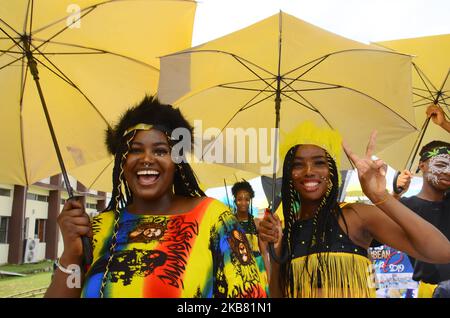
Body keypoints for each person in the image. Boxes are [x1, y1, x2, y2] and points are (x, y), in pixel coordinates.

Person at [44, 96, 267, 298]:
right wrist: (71, 254)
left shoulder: (214, 219)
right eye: (135, 150)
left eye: (160, 150)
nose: (146, 159)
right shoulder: (99, 228)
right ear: (122, 160)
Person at [258, 121, 450, 298]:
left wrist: (380, 196)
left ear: (332, 171)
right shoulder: (287, 232)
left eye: (319, 162)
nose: (309, 170)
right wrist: (274, 251)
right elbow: (278, 295)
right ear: (289, 174)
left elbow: (442, 251)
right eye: (298, 164)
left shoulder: (355, 216)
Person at [394, 140, 450, 298]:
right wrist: (394, 195)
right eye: (440, 164)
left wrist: (445, 125)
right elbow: (372, 237)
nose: (448, 171)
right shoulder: (404, 207)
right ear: (422, 166)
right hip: (431, 291)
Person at [231, 180, 270, 292]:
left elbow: (264, 252)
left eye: (246, 199)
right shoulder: (230, 224)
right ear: (235, 201)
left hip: (258, 268)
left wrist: (269, 275)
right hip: (240, 270)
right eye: (239, 199)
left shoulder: (257, 223)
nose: (243, 202)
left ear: (250, 201)